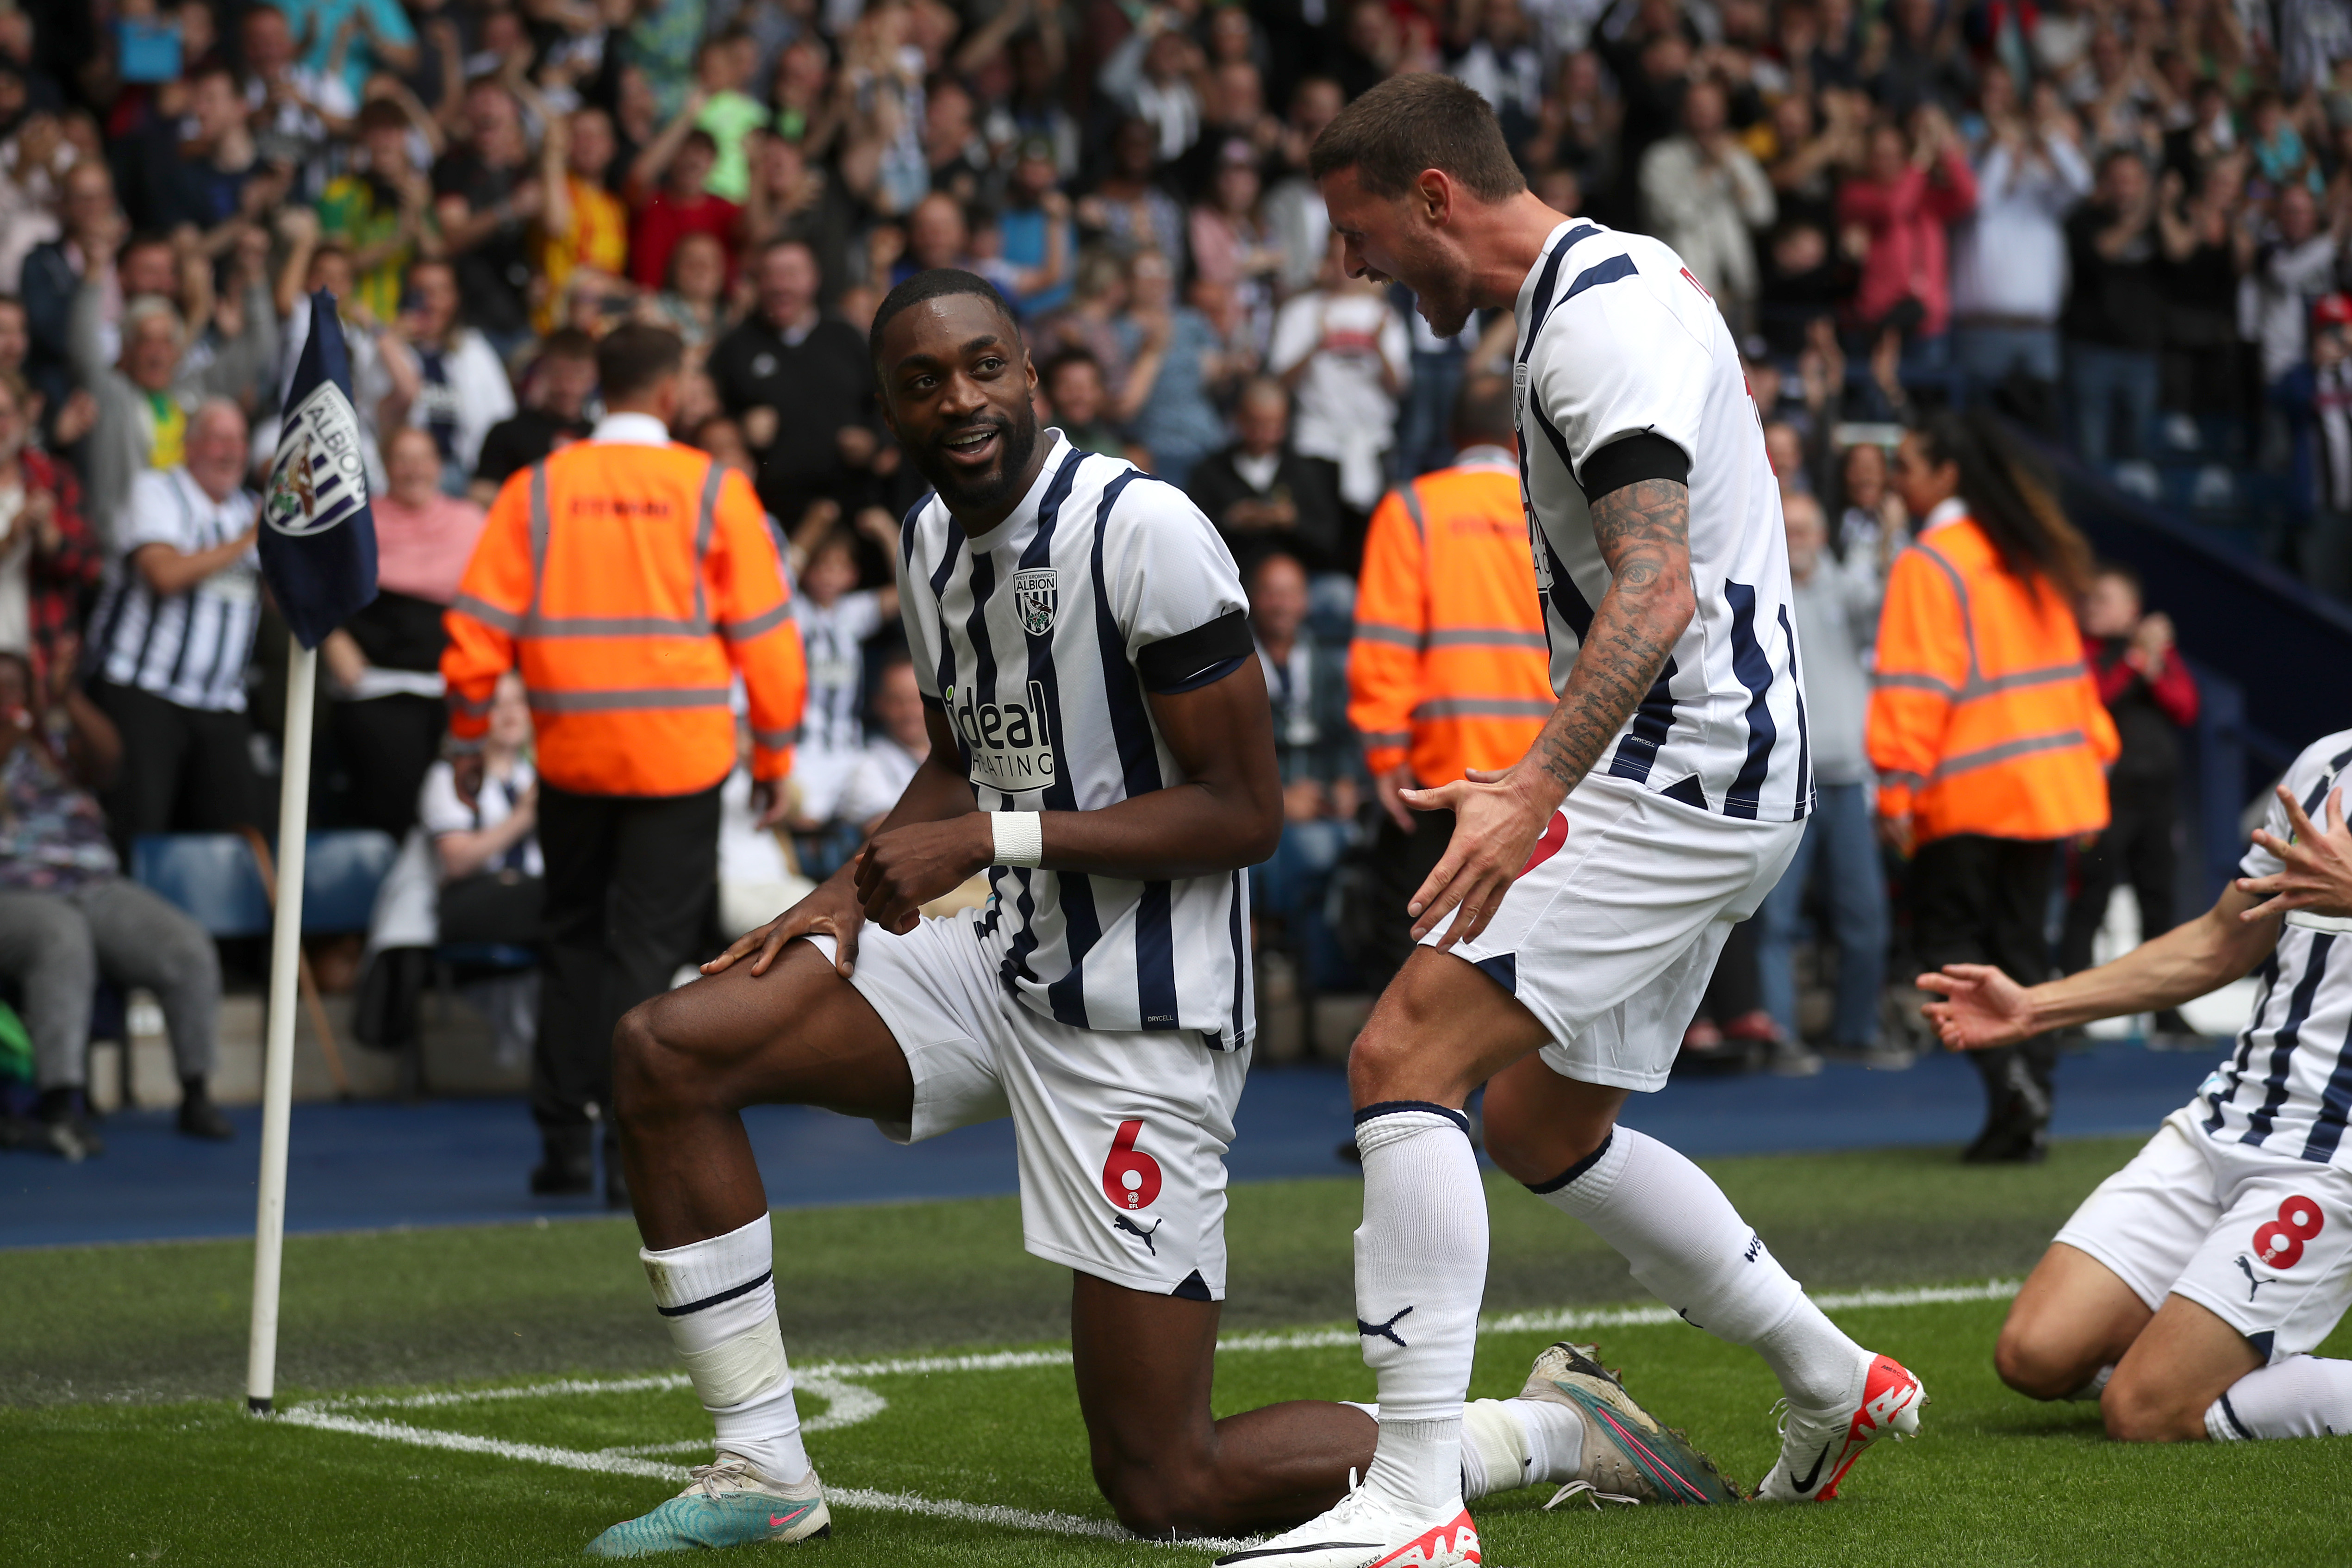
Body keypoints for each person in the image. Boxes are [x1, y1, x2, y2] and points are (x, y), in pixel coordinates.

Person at [586, 269, 1375, 1554]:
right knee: (664, 1048)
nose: (959, 398)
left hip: (1143, 1011)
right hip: (1000, 960)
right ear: (888, 407)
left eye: (982, 366)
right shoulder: (928, 541)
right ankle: (763, 1469)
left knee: (1166, 1487)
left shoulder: (1145, 529)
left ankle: (1533, 1430)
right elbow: (961, 753)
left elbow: (1243, 814)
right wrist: (841, 893)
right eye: (921, 380)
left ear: (1030, 373)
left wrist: (987, 838)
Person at [1249, 76, 1923, 1567]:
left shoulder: (1600, 315)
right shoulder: (1588, 294)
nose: (1351, 270)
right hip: (1708, 766)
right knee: (1546, 1121)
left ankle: (1415, 1501)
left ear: (1434, 196)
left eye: (1361, 234)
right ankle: (1834, 1376)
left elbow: (1657, 587)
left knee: (1397, 1055)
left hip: (1685, 767)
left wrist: (1530, 789)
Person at [440, 324, 806, 1206]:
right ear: (673, 392)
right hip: (678, 762)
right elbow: (767, 639)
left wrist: (468, 733)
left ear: (598, 387)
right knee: (645, 954)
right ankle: (626, 1150)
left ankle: (564, 1142)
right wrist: (774, 750)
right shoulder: (713, 487)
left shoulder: (537, 489)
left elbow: (476, 625)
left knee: (570, 940)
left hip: (570, 757)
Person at [1918, 735, 2352, 1448]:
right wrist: (2037, 1006)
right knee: (2035, 1355)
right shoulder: (2327, 763)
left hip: (2330, 1162)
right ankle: (2191, 1365)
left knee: (2144, 1414)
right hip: (2227, 1120)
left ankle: (2179, 1378)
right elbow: (2221, 940)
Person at [1868, 410, 2119, 1164]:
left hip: (1967, 795)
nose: (1895, 479)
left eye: (1907, 464)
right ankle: (2028, 1098)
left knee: (1948, 950)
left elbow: (1915, 686)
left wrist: (1895, 791)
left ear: (1947, 474)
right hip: (2048, 793)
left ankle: (2011, 1083)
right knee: (2022, 952)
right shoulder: (2025, 555)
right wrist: (2090, 768)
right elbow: (2075, 685)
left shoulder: (1932, 561)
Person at [1344, 375, 1551, 995]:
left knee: (1434, 944)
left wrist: (1384, 753)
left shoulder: (1413, 508)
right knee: (1533, 950)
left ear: (1453, 436)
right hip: (1548, 768)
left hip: (1444, 770)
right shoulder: (1551, 507)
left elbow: (1385, 642)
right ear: (1519, 442)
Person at [0, 650, 232, 1159]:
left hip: (91, 880)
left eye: (18, 687)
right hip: (13, 890)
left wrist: (68, 703)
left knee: (185, 944)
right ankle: (62, 1103)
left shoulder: (52, 742)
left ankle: (196, 1092)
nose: (9, 697)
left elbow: (110, 762)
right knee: (61, 939)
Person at [81, 399, 262, 847]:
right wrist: (252, 540)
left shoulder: (253, 508)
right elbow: (163, 574)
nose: (230, 451)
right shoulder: (156, 491)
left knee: (235, 838)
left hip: (221, 702)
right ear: (190, 445)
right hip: (144, 692)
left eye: (239, 440)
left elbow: (279, 601)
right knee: (140, 829)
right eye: (219, 438)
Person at [1754, 489, 1891, 1070]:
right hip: (1785, 783)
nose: (1800, 537)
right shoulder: (1762, 594)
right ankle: (1779, 1035)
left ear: (1823, 534)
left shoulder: (1850, 588)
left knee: (1866, 917)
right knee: (1774, 920)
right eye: (1789, 528)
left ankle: (1855, 1032)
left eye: (1807, 527)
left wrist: (1887, 546)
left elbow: (1888, 610)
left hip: (1845, 781)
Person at [322, 424, 486, 840]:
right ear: (386, 466)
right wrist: (332, 638)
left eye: (423, 459)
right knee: (393, 804)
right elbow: (314, 587)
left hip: (451, 692)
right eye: (403, 459)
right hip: (377, 689)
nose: (414, 470)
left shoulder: (469, 522)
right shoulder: (356, 522)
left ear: (439, 465)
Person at [2059, 564, 2199, 1005]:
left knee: (2158, 904)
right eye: (2088, 599)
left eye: (2103, 599)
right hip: (2104, 800)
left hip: (2155, 800)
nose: (2091, 607)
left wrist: (2154, 666)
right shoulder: (2081, 652)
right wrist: (2137, 661)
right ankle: (2070, 1004)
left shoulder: (2154, 654)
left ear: (2131, 610)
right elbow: (2094, 698)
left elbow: (2186, 708)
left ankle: (2163, 1011)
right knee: (2088, 901)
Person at [706, 239, 882, 530]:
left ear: (814, 278)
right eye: (769, 275)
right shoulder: (734, 347)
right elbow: (708, 418)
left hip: (849, 519)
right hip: (766, 516)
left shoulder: (847, 338)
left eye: (790, 274)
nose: (779, 285)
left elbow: (883, 405)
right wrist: (739, 429)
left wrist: (873, 442)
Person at [1249, 551, 1360, 984]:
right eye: (1271, 593)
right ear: (1255, 600)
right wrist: (1277, 801)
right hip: (1262, 804)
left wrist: (1346, 784)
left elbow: (1341, 736)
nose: (1281, 604)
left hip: (1320, 801)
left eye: (1290, 593)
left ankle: (1326, 980)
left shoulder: (1325, 663)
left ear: (1305, 602)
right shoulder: (1237, 665)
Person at [1186, 378, 1345, 578]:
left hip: (1300, 583)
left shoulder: (1306, 472)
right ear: (1238, 419)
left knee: (1340, 592)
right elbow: (1192, 542)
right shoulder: (1209, 472)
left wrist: (1293, 522)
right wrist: (1231, 521)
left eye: (1272, 426)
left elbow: (1330, 542)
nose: (1263, 434)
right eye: (1255, 423)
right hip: (1234, 583)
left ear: (1286, 423)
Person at [472, 328, 599, 498]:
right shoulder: (507, 432)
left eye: (578, 375)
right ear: (543, 371)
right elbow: (481, 493)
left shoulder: (602, 437)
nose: (568, 387)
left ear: (594, 377)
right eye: (559, 374)